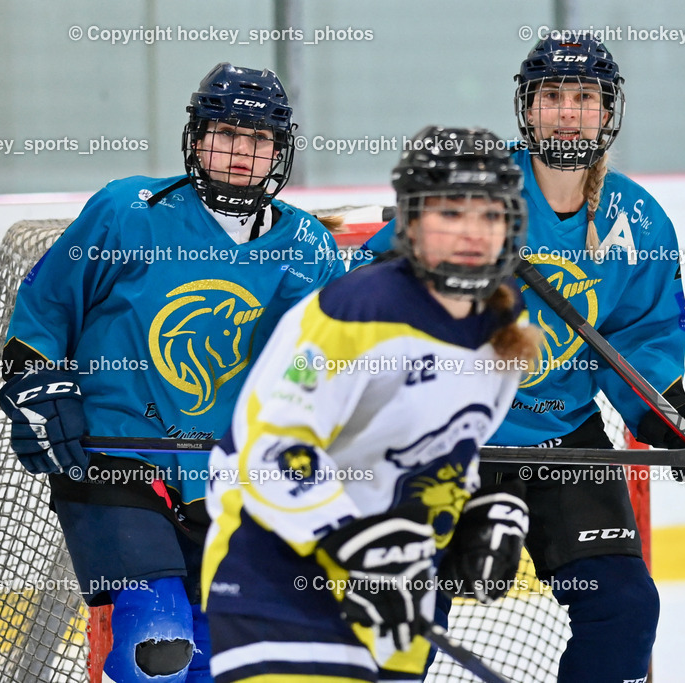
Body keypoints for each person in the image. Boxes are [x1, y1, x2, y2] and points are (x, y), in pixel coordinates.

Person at [365, 37, 685, 682]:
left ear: (606, 111)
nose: (568, 113)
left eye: (584, 98)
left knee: (621, 609)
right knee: (403, 620)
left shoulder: (637, 221)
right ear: (527, 110)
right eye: (552, 98)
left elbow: (637, 347)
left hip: (561, 438)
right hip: (449, 436)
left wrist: (679, 429)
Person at [0, 62, 346, 683]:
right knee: (155, 645)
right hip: (115, 460)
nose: (241, 153)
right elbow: (44, 312)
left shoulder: (309, 247)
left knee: (222, 655)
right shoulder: (125, 212)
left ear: (279, 152)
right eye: (226, 133)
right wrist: (37, 384)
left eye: (259, 139)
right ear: (196, 138)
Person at [202, 126, 539, 683]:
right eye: (449, 214)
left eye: (489, 214)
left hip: (395, 595)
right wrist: (354, 540)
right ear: (409, 223)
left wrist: (476, 512)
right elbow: (271, 452)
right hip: (279, 578)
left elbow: (446, 448)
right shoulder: (354, 311)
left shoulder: (504, 325)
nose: (473, 232)